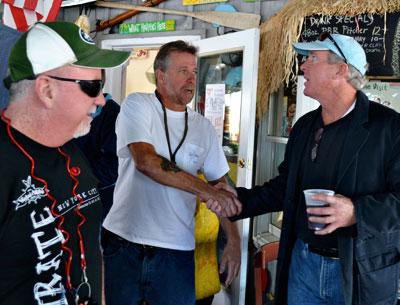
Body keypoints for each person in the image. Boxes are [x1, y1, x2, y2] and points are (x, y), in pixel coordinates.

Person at [213, 33, 400, 305]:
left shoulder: (389, 128)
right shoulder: (304, 126)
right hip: (303, 264)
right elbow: (284, 188)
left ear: (341, 70)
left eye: (313, 58)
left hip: (359, 273)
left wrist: (356, 212)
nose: (303, 67)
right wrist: (236, 200)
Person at [102, 40, 241, 305]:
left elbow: (222, 188)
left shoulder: (204, 128)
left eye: (194, 72)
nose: (191, 79)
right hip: (124, 243)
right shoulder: (137, 105)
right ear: (161, 75)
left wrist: (233, 241)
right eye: (183, 71)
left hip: (176, 252)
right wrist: (207, 191)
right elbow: (146, 161)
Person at [0, 21, 130, 305]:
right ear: (46, 90)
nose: (101, 101)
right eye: (92, 86)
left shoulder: (71, 153)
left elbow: (91, 250)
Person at [74, 92, 120, 220]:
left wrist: (75, 180)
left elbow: (114, 165)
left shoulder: (112, 114)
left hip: (97, 200)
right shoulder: (71, 111)